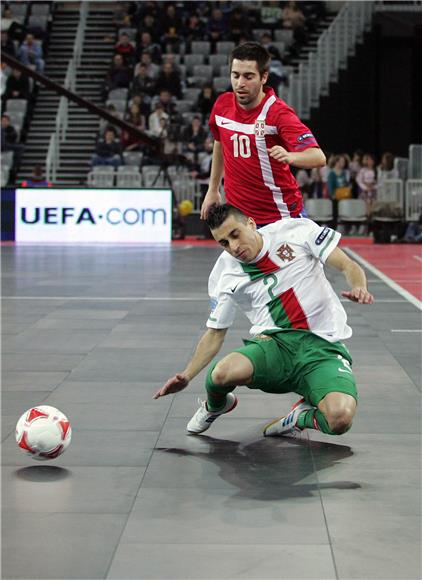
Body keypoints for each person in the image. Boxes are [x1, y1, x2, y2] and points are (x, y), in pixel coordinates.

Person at [154, 203, 373, 438]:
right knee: (221, 374)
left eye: (235, 234)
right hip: (275, 345)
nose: (234, 247)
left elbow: (347, 265)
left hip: (323, 348)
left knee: (340, 419)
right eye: (224, 243)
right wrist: (187, 376)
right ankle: (216, 405)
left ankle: (299, 417)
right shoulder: (224, 273)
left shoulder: (296, 231)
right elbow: (215, 333)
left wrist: (359, 286)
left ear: (250, 223)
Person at [201, 42, 325, 226]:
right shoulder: (222, 105)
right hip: (241, 219)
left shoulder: (278, 113)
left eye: (248, 76)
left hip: (280, 217)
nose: (240, 83)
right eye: (235, 76)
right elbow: (220, 142)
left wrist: (291, 156)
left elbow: (318, 157)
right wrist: (213, 189)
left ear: (264, 77)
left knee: (325, 255)